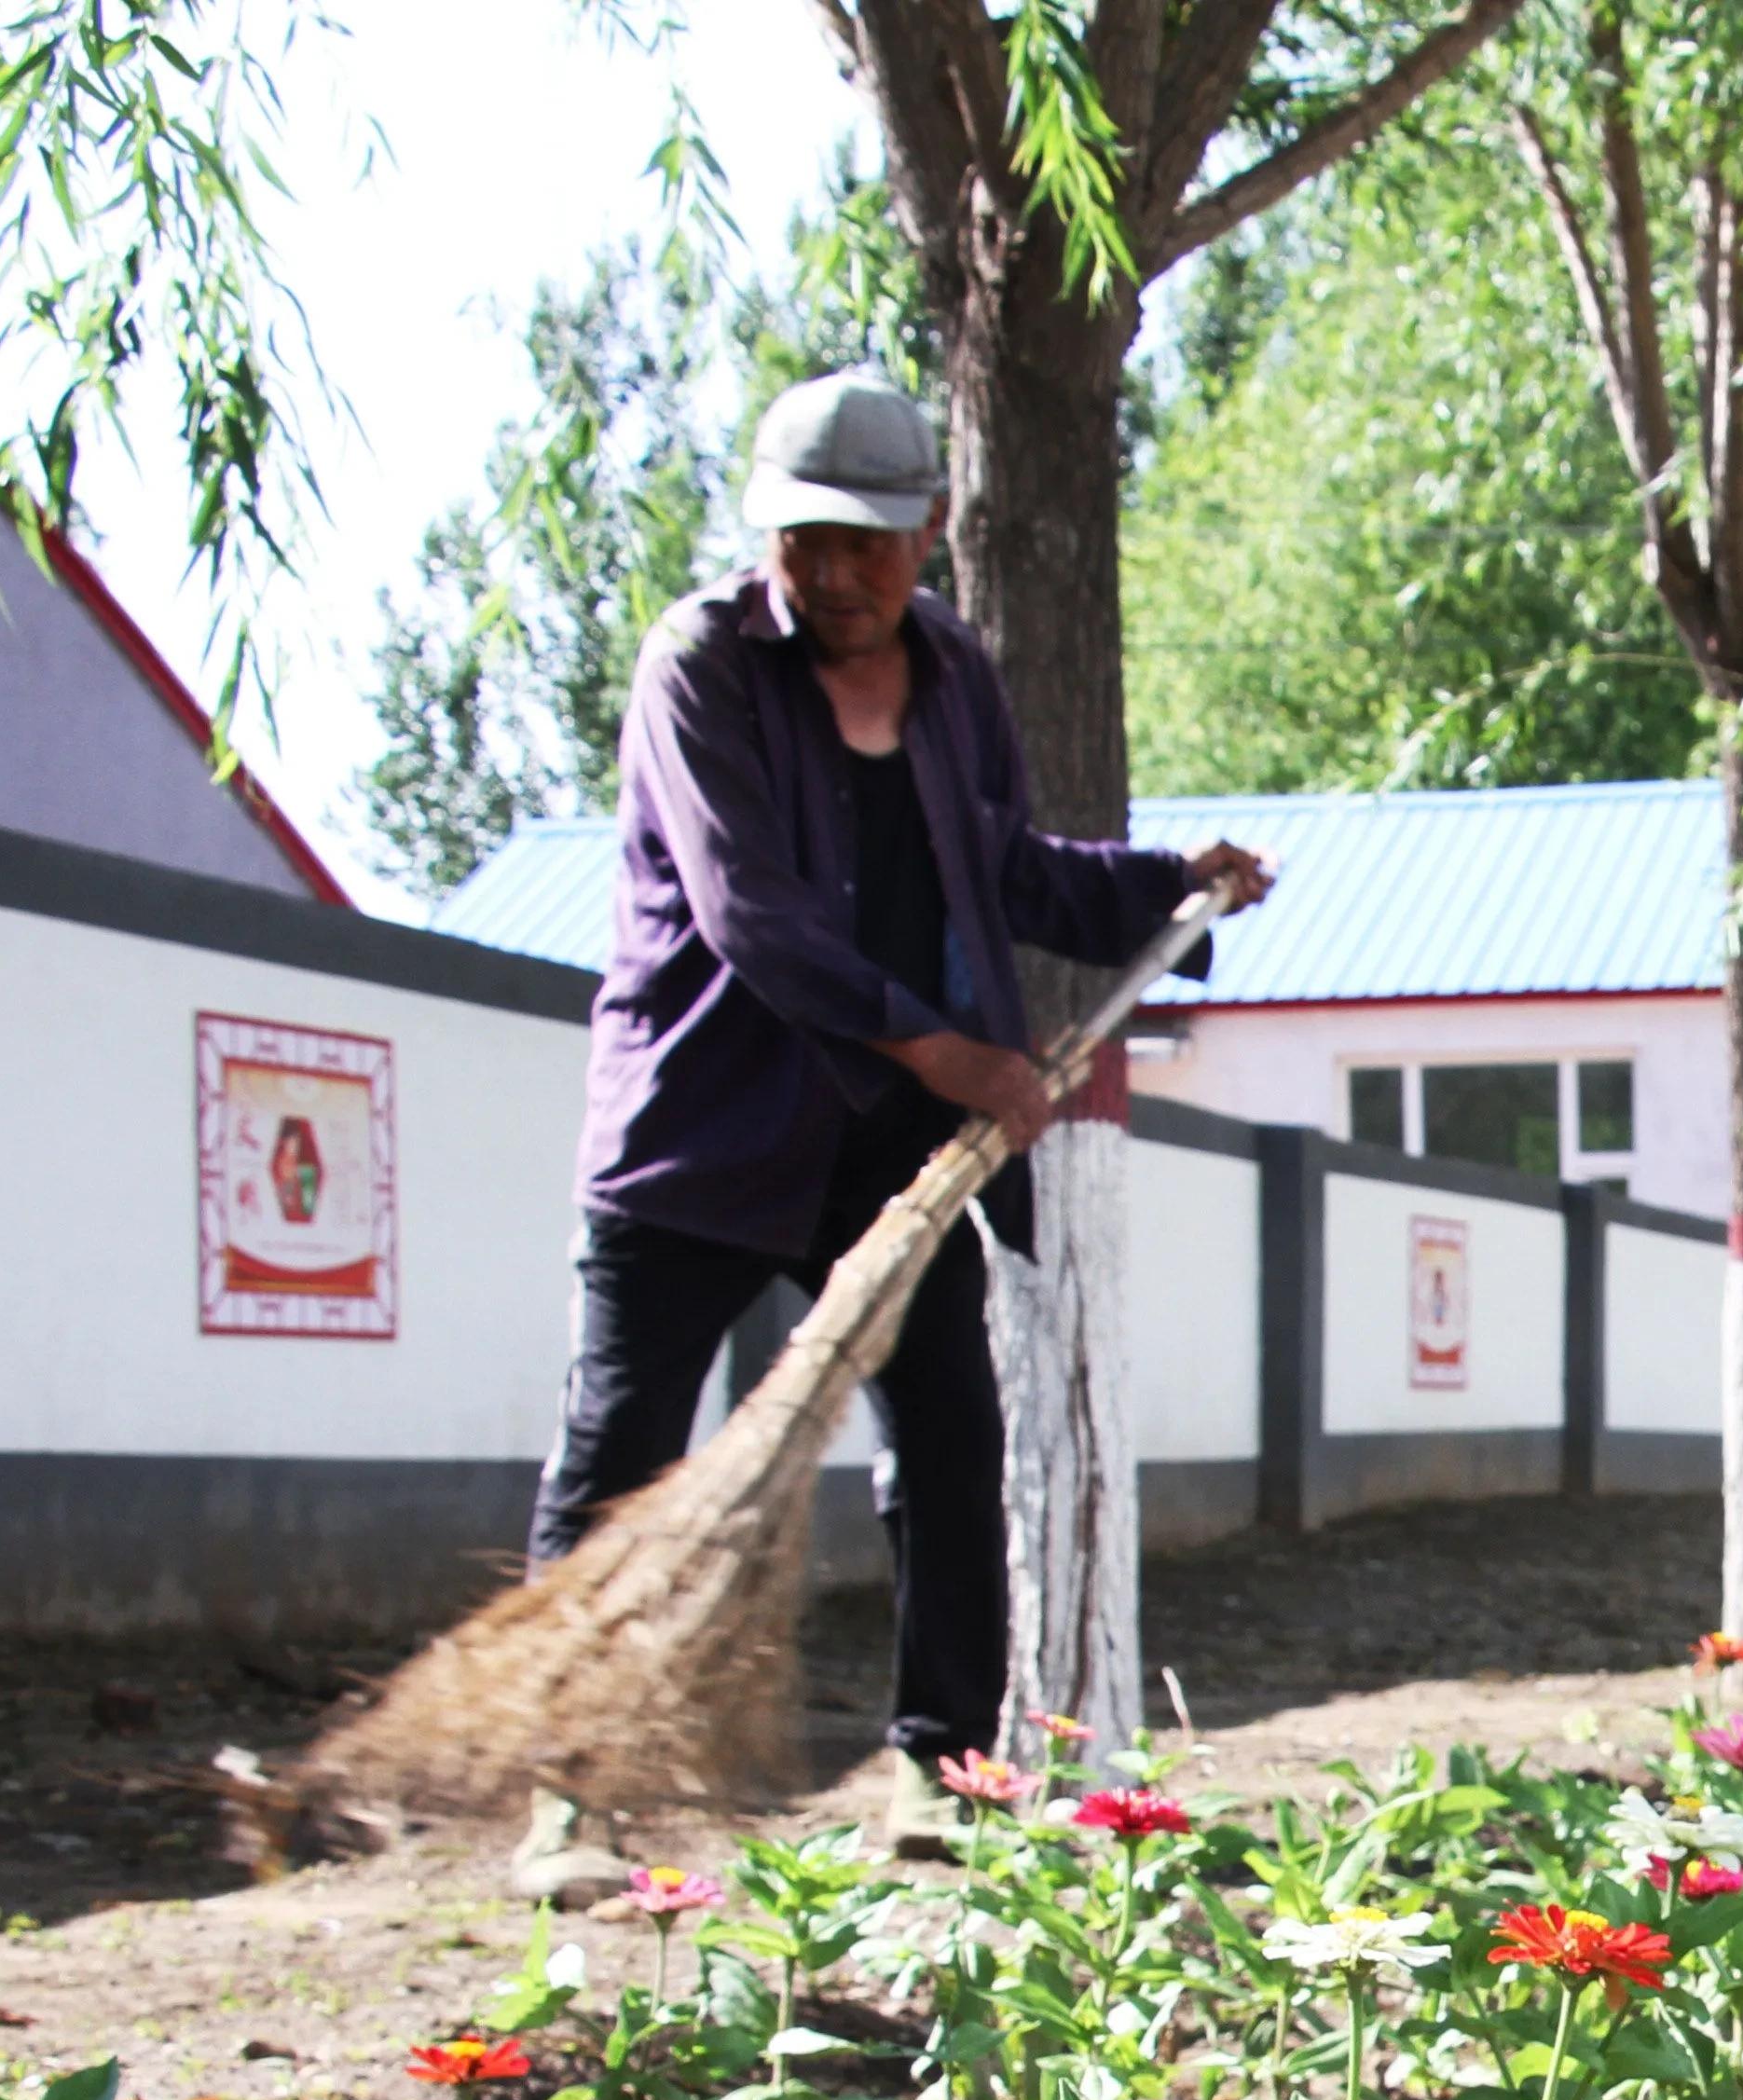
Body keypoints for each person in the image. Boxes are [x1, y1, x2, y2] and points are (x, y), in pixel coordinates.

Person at [516, 371, 1270, 1894]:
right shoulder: (702, 669)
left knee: (945, 1432)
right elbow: (752, 916)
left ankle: (941, 1769)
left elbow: (997, 868)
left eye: (873, 542)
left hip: (885, 1140)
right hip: (704, 1127)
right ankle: (570, 1796)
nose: (843, 574)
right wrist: (955, 1053)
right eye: (812, 542)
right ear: (769, 536)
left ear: (929, 532)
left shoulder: (953, 674)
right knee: (620, 1448)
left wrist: (1159, 889)